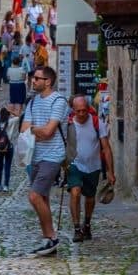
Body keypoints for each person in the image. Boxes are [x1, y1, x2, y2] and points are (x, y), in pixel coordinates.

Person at [20, 65, 71, 256]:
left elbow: (49, 132)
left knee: (34, 196)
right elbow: (23, 129)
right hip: (36, 155)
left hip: (53, 155)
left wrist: (33, 129)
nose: (33, 81)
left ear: (47, 81)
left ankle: (52, 236)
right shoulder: (33, 102)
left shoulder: (58, 101)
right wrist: (36, 130)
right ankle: (47, 240)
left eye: (36, 78)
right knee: (42, 198)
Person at [65, 95, 114, 242]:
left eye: (84, 110)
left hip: (93, 166)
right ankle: (77, 228)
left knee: (90, 198)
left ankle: (87, 224)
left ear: (88, 109)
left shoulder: (96, 122)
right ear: (73, 110)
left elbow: (106, 148)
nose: (81, 114)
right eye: (78, 111)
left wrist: (110, 171)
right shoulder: (67, 124)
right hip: (74, 164)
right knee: (75, 192)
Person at [0, 105, 17, 191]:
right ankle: (6, 185)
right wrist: (11, 111)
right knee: (7, 166)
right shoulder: (11, 122)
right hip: (8, 146)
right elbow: (18, 116)